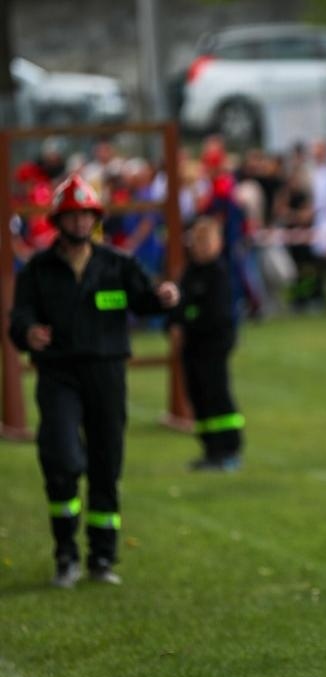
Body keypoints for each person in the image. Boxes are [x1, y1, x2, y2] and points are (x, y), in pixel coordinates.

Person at [8, 174, 179, 588]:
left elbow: (146, 299)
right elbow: (19, 318)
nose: (81, 222)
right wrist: (28, 332)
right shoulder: (38, 270)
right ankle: (65, 554)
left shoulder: (117, 264)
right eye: (73, 215)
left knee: (106, 464)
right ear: (58, 220)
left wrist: (164, 297)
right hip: (58, 375)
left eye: (88, 215)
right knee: (62, 461)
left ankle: (102, 557)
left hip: (107, 373)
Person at [171, 216, 244, 472]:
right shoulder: (190, 272)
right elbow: (180, 305)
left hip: (213, 346)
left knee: (217, 396)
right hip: (193, 347)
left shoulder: (218, 274)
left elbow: (214, 313)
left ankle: (229, 449)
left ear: (217, 244)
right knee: (198, 397)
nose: (200, 247)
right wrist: (175, 323)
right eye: (197, 242)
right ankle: (210, 449)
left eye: (206, 242)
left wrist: (188, 320)